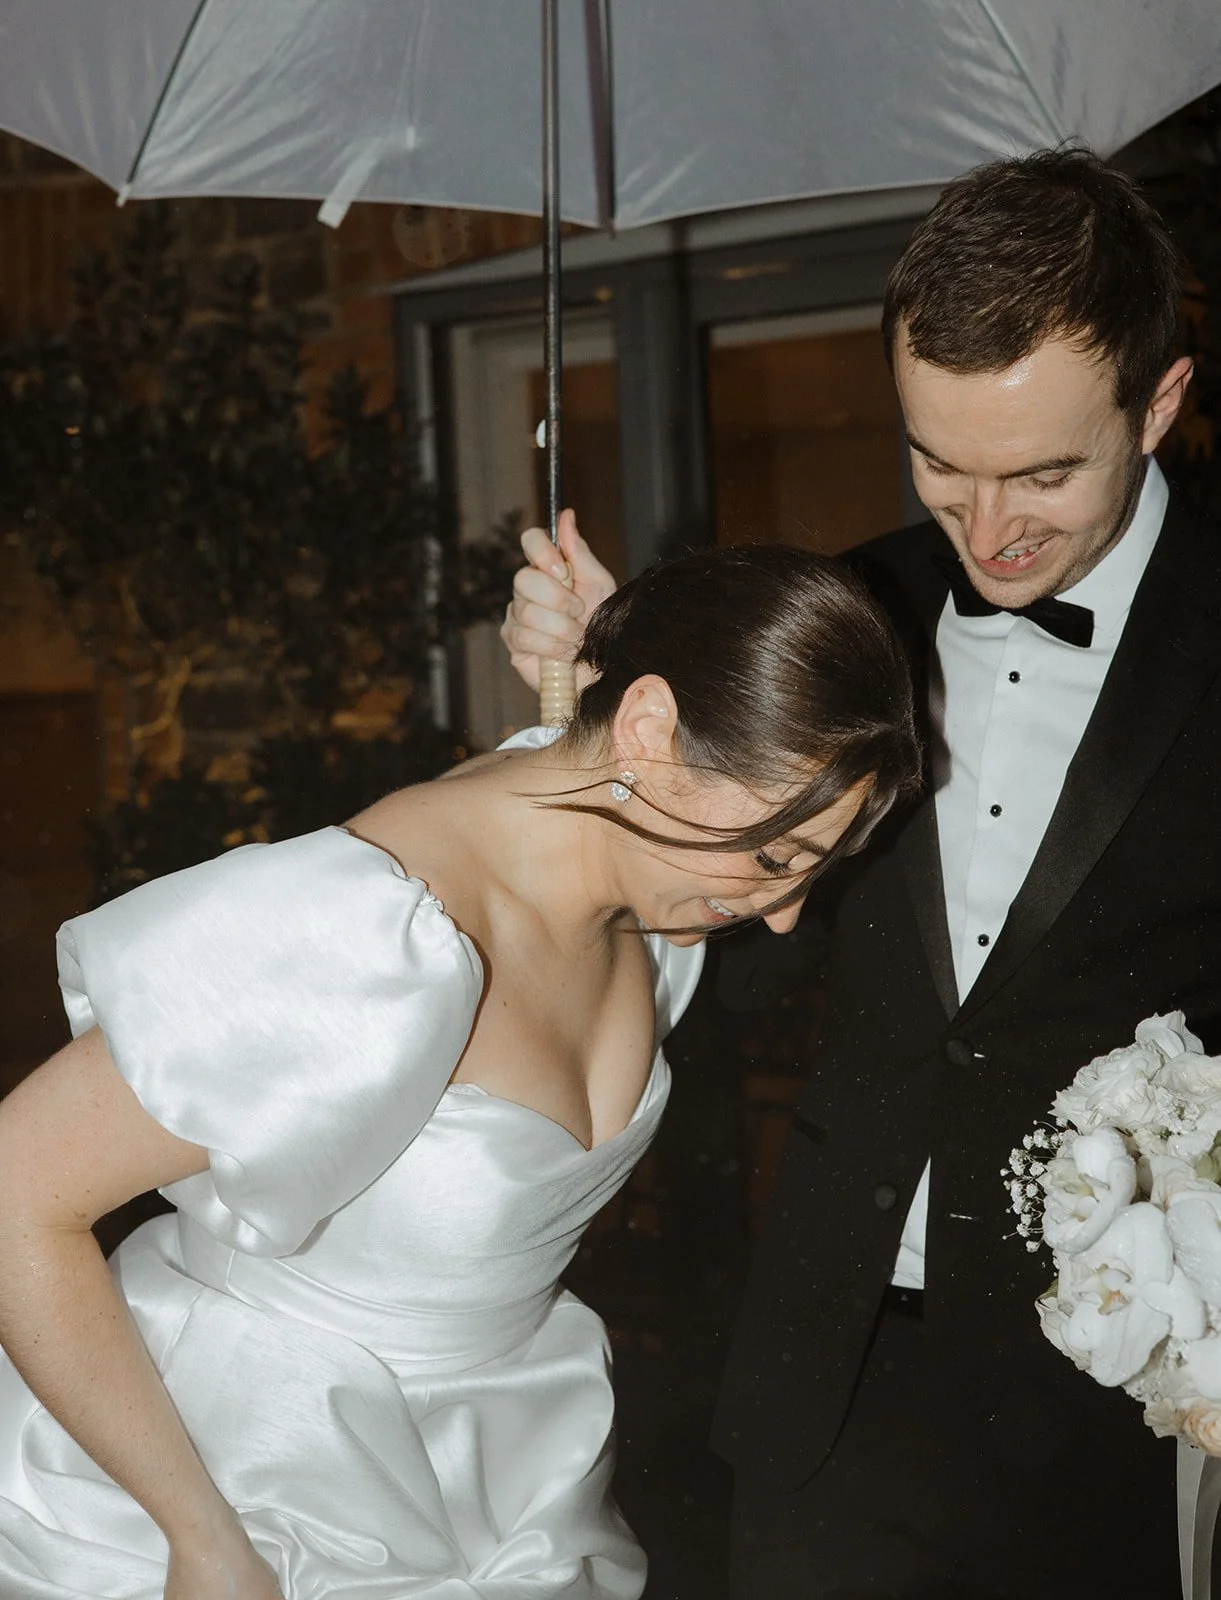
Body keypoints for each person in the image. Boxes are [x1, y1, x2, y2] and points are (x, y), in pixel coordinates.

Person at [500, 146, 1218, 1596]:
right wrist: (587, 719)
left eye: (1043, 473)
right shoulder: (850, 606)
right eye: (939, 464)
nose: (990, 527)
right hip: (830, 1380)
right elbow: (693, 924)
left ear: (1160, 402)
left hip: (1141, 1402)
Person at [0, 545, 916, 1600]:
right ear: (653, 732)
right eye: (771, 856)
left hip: (502, 1490)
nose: (787, 912)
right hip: (248, 1489)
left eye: (814, 866)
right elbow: (24, 1193)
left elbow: (558, 778)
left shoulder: (645, 890)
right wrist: (200, 1538)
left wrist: (598, 665)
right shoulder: (372, 931)